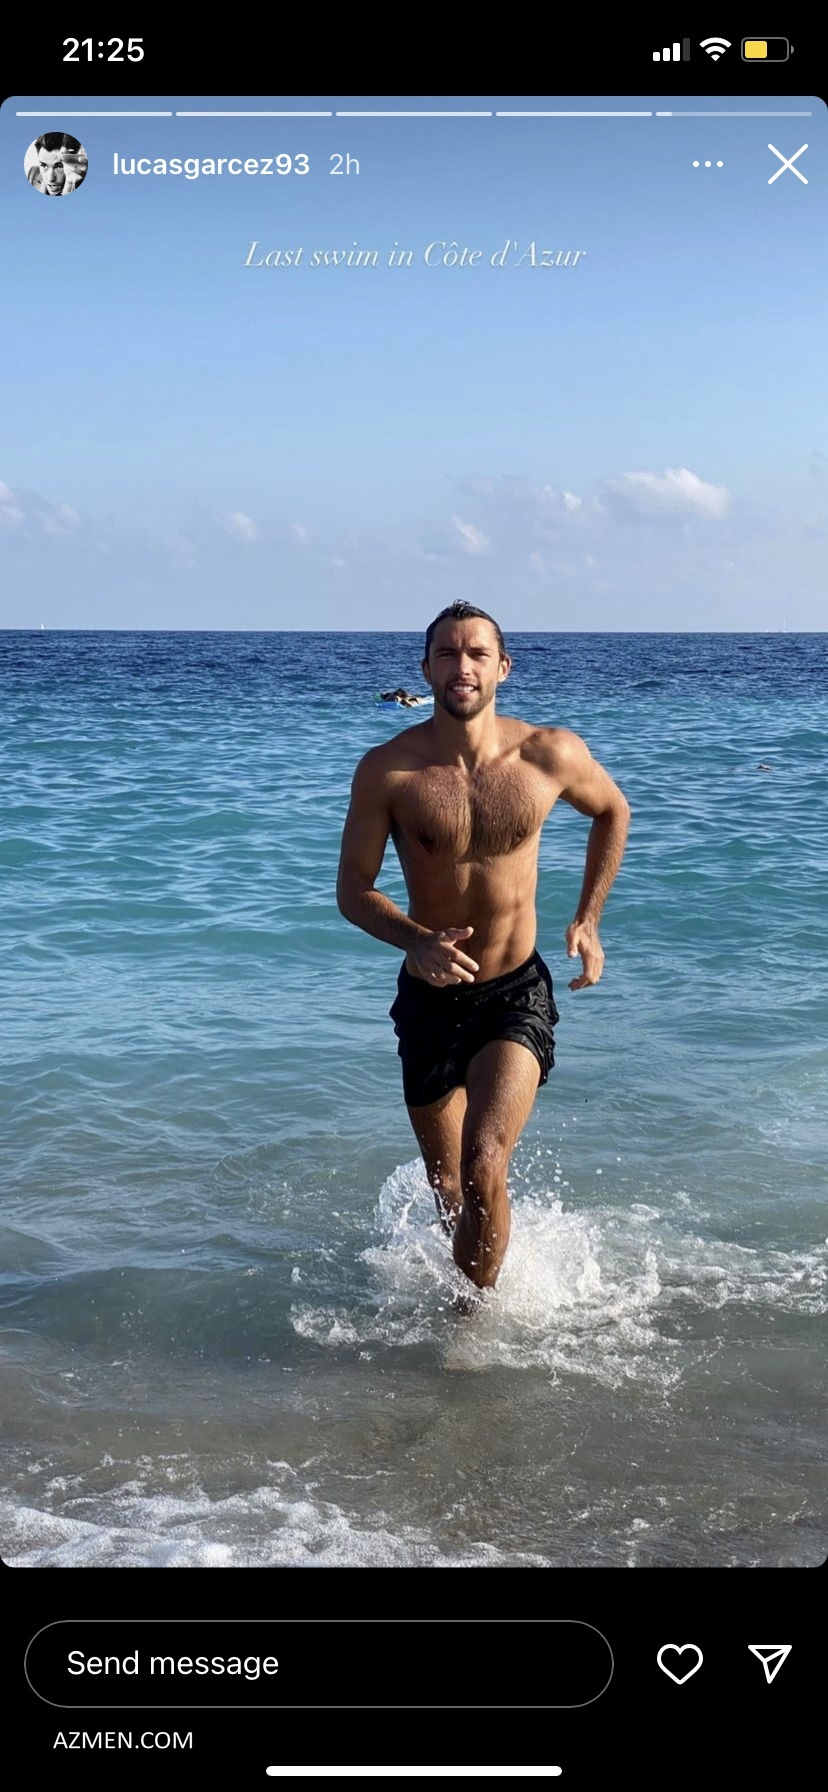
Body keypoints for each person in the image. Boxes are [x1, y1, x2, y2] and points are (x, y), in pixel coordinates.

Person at [337, 601, 630, 1294]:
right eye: (447, 653)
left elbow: (612, 810)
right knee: (446, 1185)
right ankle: (472, 1281)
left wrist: (589, 918)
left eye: (476, 653)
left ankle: (475, 1324)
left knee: (483, 1163)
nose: (461, 666)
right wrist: (416, 941)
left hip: (513, 991)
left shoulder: (547, 754)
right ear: (425, 669)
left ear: (503, 667)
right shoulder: (388, 771)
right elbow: (353, 890)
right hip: (429, 997)